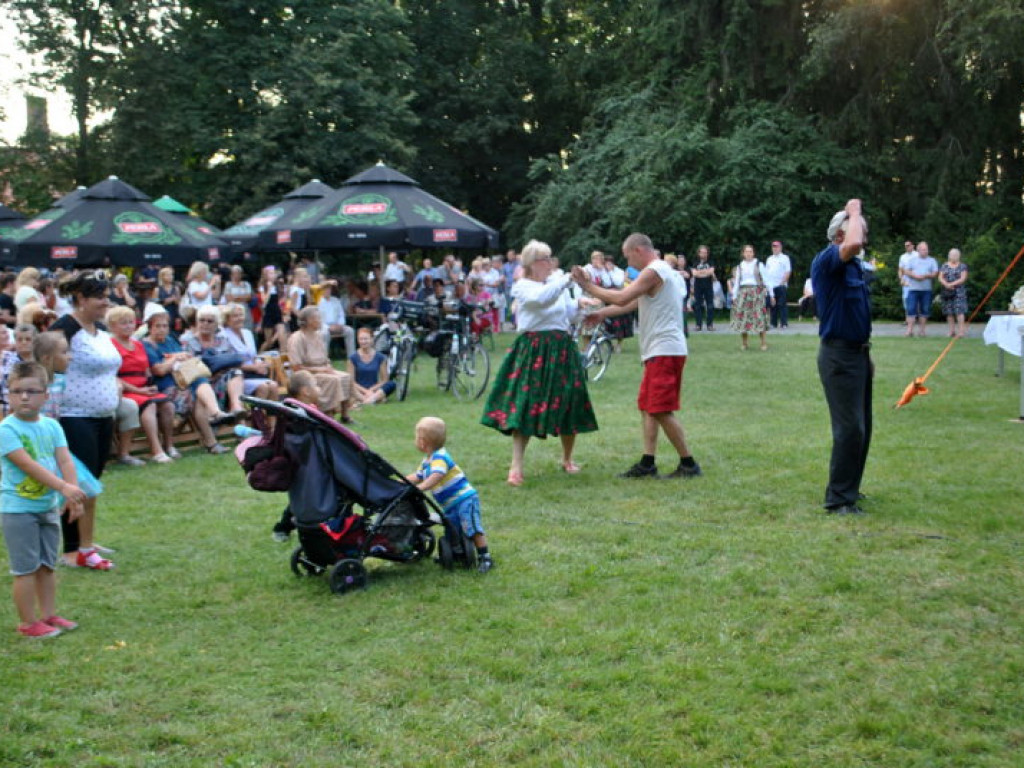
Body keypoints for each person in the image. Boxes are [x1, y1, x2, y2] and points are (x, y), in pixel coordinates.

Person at [572, 233, 701, 479]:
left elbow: (622, 296)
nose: (628, 263)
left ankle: (689, 464)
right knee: (647, 406)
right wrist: (601, 314)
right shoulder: (657, 272)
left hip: (665, 349)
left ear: (638, 250)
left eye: (628, 256)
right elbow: (629, 304)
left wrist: (587, 286)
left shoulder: (655, 270)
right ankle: (647, 462)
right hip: (658, 350)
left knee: (660, 409)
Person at [481, 240, 597, 486]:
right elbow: (540, 300)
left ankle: (567, 459)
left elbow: (567, 315)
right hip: (533, 350)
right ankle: (516, 468)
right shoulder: (522, 286)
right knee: (526, 404)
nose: (550, 263)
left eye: (550, 257)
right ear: (532, 263)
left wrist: (582, 307)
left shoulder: (556, 285)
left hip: (561, 347)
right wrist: (566, 280)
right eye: (545, 258)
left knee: (569, 400)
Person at [1, 360, 87, 638]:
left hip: (47, 506)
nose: (23, 397)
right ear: (9, 394)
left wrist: (73, 493)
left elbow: (65, 459)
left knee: (47, 565)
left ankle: (48, 615)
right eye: (16, 391)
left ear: (46, 395)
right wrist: (64, 487)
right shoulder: (6, 430)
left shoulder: (52, 426)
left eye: (31, 391)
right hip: (17, 509)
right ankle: (28, 622)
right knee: (25, 568)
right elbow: (29, 466)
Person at [50, 271, 121, 569]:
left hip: (103, 416)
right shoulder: (66, 327)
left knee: (93, 481)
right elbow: (46, 360)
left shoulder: (100, 329)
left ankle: (86, 542)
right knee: (77, 483)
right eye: (100, 297)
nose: (106, 302)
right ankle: (70, 550)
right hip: (75, 416)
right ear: (80, 299)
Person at [811, 199, 872, 515]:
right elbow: (856, 241)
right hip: (839, 357)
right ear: (839, 237)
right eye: (855, 231)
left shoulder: (855, 266)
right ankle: (838, 500)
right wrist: (854, 210)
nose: (863, 236)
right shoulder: (827, 260)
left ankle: (850, 488)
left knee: (864, 427)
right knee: (850, 428)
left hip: (859, 355)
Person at [142, 306, 234, 455]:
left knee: (199, 388)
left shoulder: (170, 340)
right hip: (165, 385)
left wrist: (183, 357)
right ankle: (213, 426)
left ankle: (213, 434)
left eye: (165, 326)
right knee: (198, 392)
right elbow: (158, 370)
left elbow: (181, 358)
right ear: (149, 327)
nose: (162, 329)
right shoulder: (147, 344)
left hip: (183, 381)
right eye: (157, 326)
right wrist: (175, 358)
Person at [407, 416, 493, 574]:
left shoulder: (440, 457)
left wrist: (422, 487)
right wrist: (402, 481)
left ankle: (485, 557)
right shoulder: (427, 461)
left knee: (471, 527)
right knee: (451, 529)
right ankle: (455, 553)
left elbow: (436, 476)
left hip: (464, 499)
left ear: (423, 442)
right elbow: (418, 476)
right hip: (450, 505)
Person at [107, 305, 176, 464]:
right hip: (125, 389)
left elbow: (146, 371)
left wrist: (150, 386)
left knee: (168, 405)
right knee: (150, 404)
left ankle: (169, 445)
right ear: (112, 325)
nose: (129, 326)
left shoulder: (138, 344)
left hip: (143, 387)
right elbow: (113, 376)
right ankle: (156, 451)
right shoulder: (110, 345)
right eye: (123, 323)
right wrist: (140, 390)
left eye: (131, 322)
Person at [270, 370, 320, 542]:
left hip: (308, 463)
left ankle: (284, 527)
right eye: (316, 385)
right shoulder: (296, 413)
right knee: (302, 497)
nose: (319, 389)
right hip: (306, 464)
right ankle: (282, 527)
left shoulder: (302, 410)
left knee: (303, 497)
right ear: (305, 391)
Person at [287, 306, 353, 422]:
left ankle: (345, 414)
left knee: (346, 377)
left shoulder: (318, 336)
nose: (320, 321)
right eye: (317, 318)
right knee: (333, 380)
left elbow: (325, 358)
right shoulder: (297, 338)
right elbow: (296, 366)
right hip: (306, 374)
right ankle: (328, 415)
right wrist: (320, 370)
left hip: (322, 369)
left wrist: (328, 367)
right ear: (309, 321)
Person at [184, 305, 247, 417]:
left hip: (222, 379)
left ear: (217, 324)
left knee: (236, 373)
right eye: (202, 320)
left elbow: (233, 360)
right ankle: (221, 414)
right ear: (197, 322)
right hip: (201, 384)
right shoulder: (188, 342)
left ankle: (237, 407)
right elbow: (190, 369)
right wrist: (219, 362)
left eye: (210, 321)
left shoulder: (222, 340)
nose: (205, 324)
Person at [220, 303, 280, 401]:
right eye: (235, 316)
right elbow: (228, 363)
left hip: (255, 374)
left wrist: (260, 364)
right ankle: (257, 415)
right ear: (227, 319)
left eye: (241, 315)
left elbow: (253, 356)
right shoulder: (223, 336)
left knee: (273, 386)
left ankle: (272, 416)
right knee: (263, 387)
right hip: (239, 376)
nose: (239, 318)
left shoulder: (247, 333)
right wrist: (254, 367)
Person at [729, 245, 771, 351]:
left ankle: (763, 343)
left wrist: (771, 294)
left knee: (759, 317)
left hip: (757, 292)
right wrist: (734, 296)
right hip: (743, 292)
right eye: (746, 252)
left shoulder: (759, 264)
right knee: (744, 317)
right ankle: (744, 343)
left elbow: (766, 280)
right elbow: (737, 282)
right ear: (743, 253)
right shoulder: (740, 266)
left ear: (753, 253)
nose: (748, 253)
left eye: (750, 251)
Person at [348, 327, 395, 406]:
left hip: (374, 390)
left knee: (391, 384)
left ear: (371, 339)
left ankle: (369, 400)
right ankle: (374, 399)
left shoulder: (380, 357)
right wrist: (365, 391)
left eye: (366, 339)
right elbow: (351, 381)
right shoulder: (353, 358)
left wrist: (371, 390)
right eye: (361, 339)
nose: (363, 341)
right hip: (358, 390)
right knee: (347, 387)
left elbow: (384, 380)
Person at [904, 241, 939, 337]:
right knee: (911, 309)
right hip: (913, 289)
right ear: (918, 250)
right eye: (923, 249)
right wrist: (914, 275)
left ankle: (922, 331)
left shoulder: (932, 260)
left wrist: (927, 275)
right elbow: (906, 271)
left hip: (926, 289)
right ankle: (909, 331)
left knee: (925, 309)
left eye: (926, 249)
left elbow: (935, 273)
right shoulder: (912, 260)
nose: (925, 251)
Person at [317, 279, 354, 358]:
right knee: (324, 334)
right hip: (324, 327)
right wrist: (328, 327)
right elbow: (318, 319)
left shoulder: (336, 300)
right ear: (322, 290)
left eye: (329, 289)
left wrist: (340, 325)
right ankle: (324, 358)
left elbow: (341, 314)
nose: (327, 291)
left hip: (337, 325)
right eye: (325, 289)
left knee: (350, 331)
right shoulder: (319, 302)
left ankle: (351, 358)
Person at [939, 248, 969, 338]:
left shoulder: (962, 266)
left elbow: (963, 278)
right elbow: (940, 277)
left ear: (959, 256)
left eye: (955, 255)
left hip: (959, 292)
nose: (953, 257)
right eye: (952, 255)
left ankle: (961, 332)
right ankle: (951, 331)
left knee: (959, 312)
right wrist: (946, 284)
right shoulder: (944, 266)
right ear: (949, 256)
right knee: (949, 312)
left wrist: (951, 284)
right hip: (947, 292)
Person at [764, 240, 792, 329]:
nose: (775, 248)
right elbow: (766, 273)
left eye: (776, 246)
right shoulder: (769, 259)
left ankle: (784, 323)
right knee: (773, 305)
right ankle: (773, 323)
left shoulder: (785, 258)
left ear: (780, 247)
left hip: (781, 285)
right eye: (773, 246)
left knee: (782, 304)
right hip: (771, 286)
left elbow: (788, 271)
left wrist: (782, 283)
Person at [690, 245, 717, 331]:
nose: (704, 254)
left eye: (705, 252)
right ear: (699, 253)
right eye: (702, 252)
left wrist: (700, 273)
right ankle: (698, 325)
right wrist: (706, 272)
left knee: (710, 305)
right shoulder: (695, 262)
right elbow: (694, 274)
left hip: (708, 286)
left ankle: (710, 325)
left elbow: (711, 272)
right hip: (698, 286)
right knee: (697, 305)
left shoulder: (711, 261)